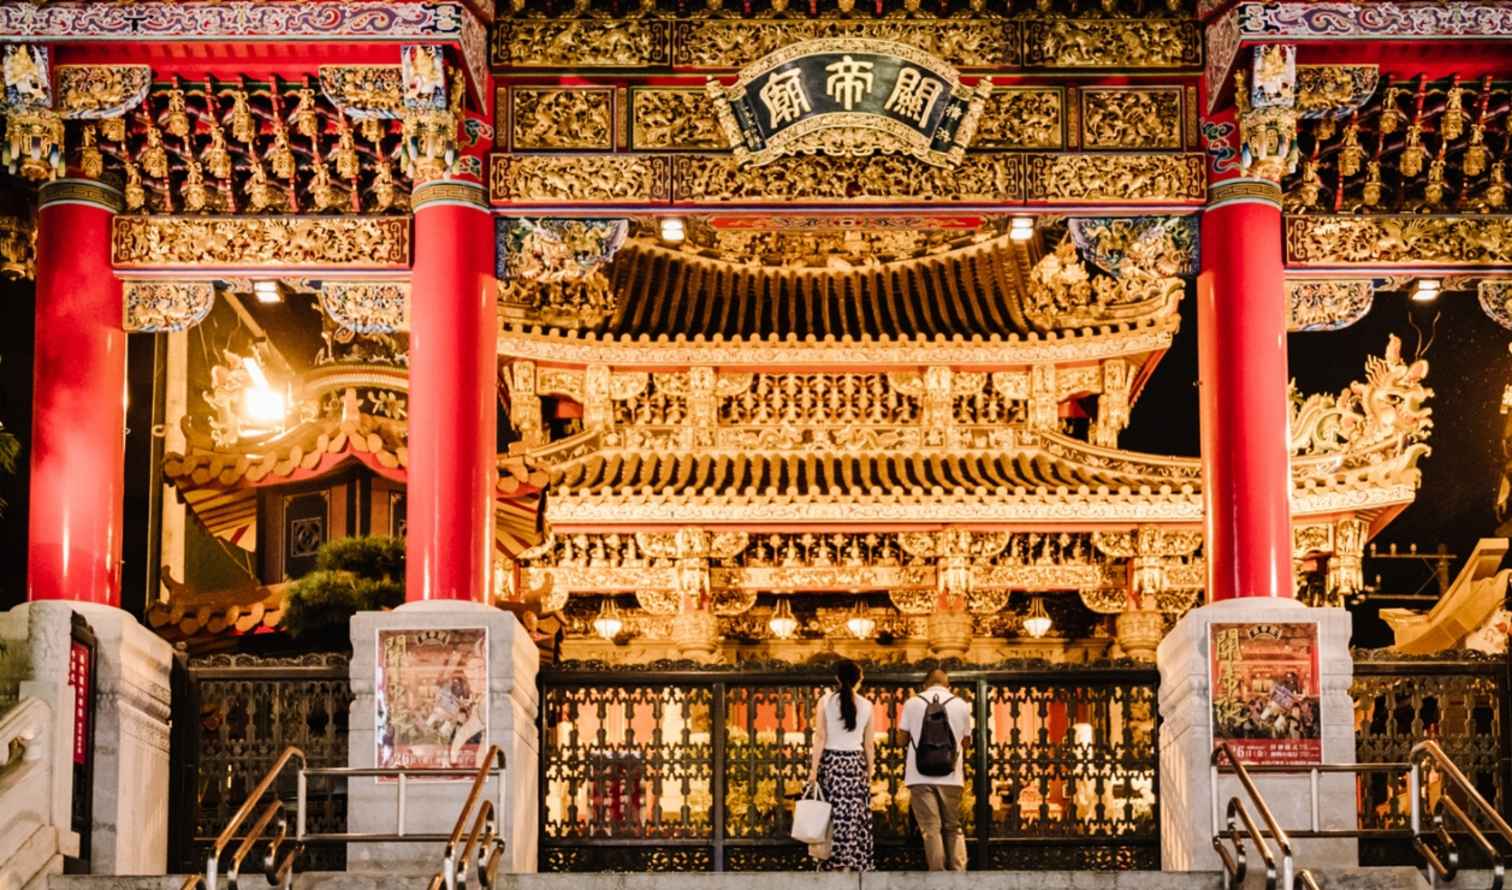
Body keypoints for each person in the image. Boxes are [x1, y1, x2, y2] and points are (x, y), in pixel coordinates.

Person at [899, 667, 973, 871]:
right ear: (948, 685)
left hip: (919, 776)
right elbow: (967, 742)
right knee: (953, 827)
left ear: (925, 684)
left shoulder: (912, 703)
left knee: (930, 829)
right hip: (951, 775)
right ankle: (958, 873)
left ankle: (937, 876)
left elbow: (901, 740)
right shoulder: (961, 705)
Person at [806, 659, 874, 871]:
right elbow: (868, 744)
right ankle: (852, 861)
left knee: (831, 814)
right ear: (859, 679)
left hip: (832, 764)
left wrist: (813, 771)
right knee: (853, 815)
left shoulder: (825, 701)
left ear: (837, 678)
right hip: (854, 764)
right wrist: (870, 771)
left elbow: (820, 737)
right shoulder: (867, 705)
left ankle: (831, 861)